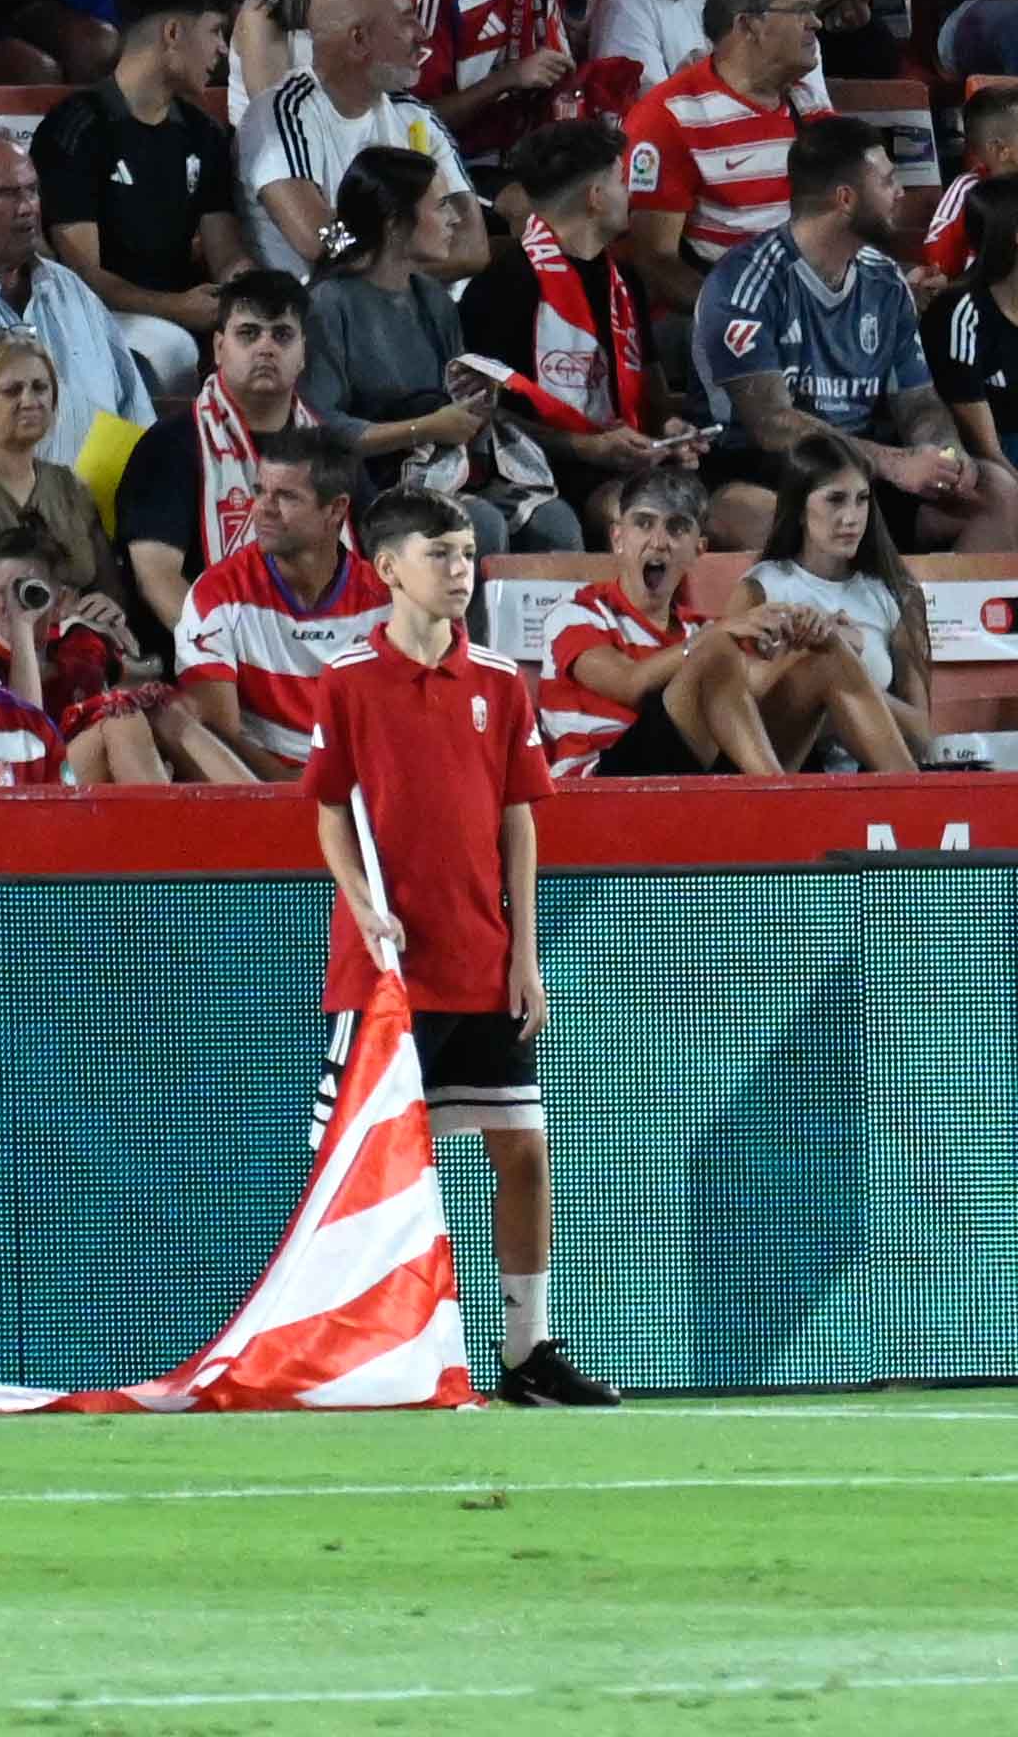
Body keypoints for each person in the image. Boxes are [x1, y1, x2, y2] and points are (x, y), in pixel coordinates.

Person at [317, 474, 623, 1402]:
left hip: (481, 958)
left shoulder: (499, 683)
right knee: (366, 1164)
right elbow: (330, 811)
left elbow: (520, 821)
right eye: (439, 555)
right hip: (383, 971)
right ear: (386, 570)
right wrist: (363, 904)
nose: (459, 569)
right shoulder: (346, 683)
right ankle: (364, 1348)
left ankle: (526, 1347)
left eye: (464, 554)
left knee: (523, 1149)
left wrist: (524, 952)